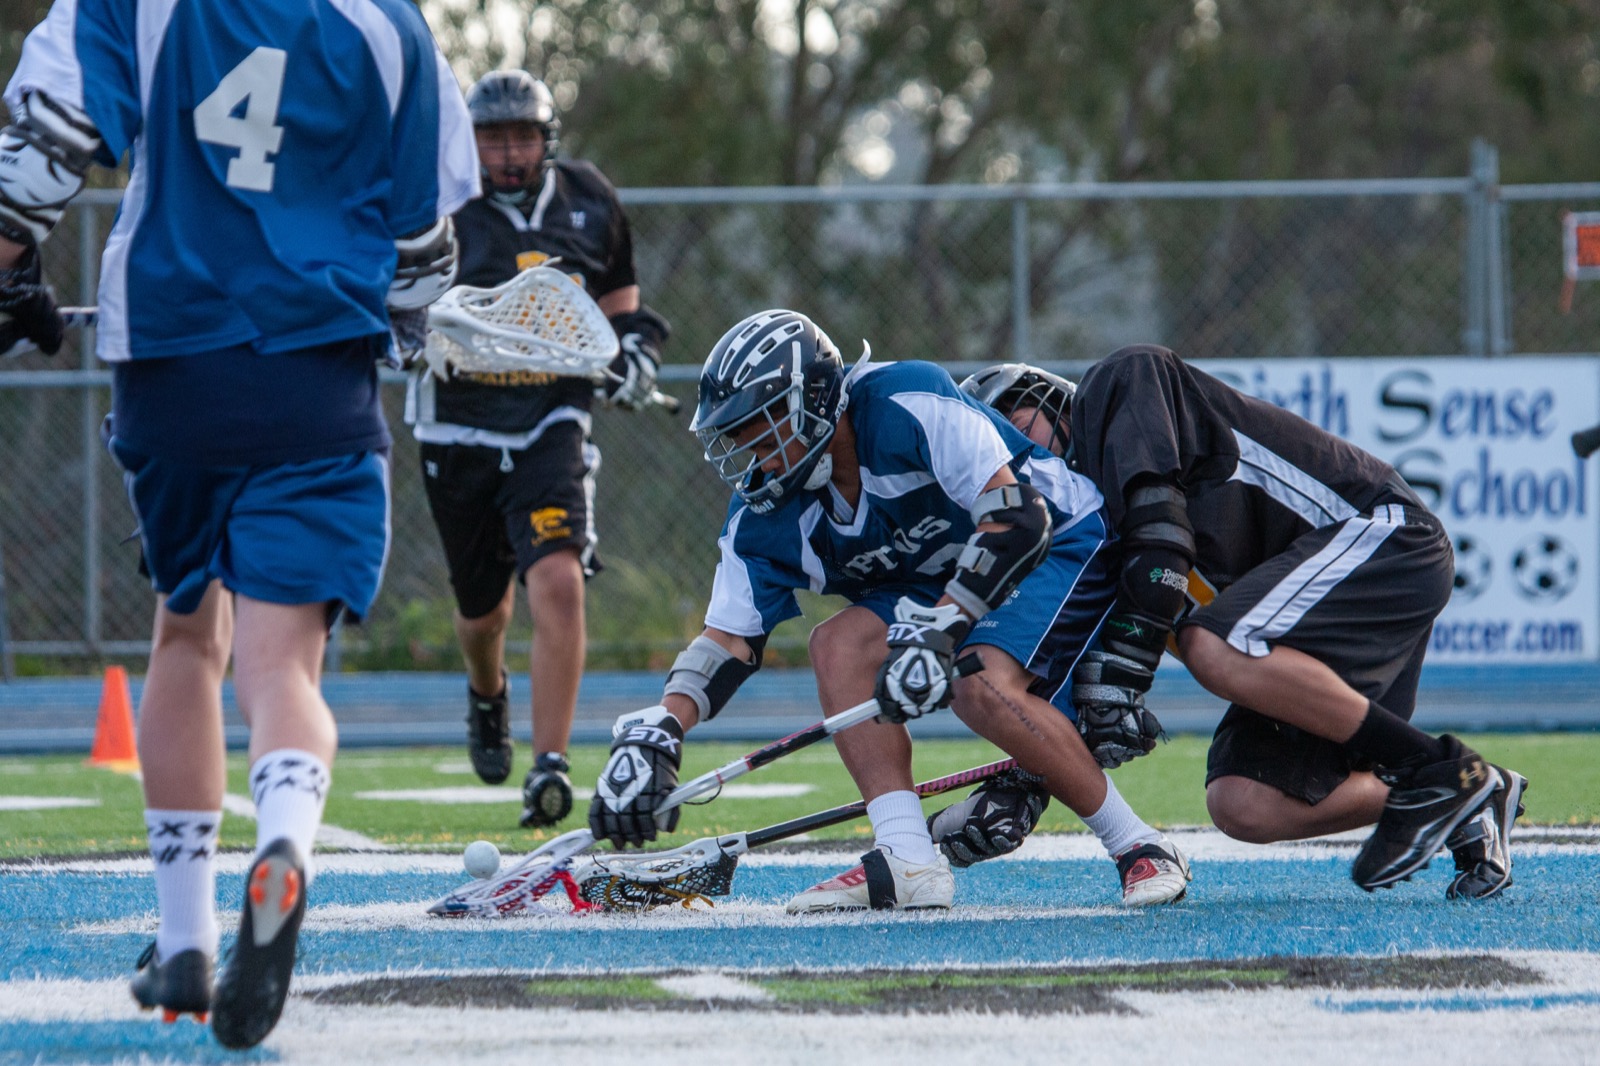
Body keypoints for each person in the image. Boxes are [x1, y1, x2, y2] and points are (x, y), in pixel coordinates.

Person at [0, 0, 477, 1047]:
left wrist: (10, 266)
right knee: (281, 669)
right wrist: (402, 319)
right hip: (313, 369)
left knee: (183, 633)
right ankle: (289, 847)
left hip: (169, 361)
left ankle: (183, 943)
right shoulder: (388, 26)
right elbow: (422, 252)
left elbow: (40, 154)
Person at [585, 310, 1191, 912]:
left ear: (816, 400)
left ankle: (1138, 844)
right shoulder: (762, 518)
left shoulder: (907, 402)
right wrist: (660, 726)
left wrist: (944, 629)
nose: (753, 456)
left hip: (1054, 539)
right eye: (739, 437)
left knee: (976, 682)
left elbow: (1017, 517)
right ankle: (907, 856)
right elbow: (727, 643)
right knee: (836, 646)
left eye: (763, 430)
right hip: (947, 573)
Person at [1068, 343, 1528, 899]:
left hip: (1387, 537)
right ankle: (1470, 791)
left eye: (1013, 422)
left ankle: (1441, 770)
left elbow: (1161, 546)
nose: (1014, 455)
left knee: (1215, 645)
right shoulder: (1099, 556)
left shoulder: (1122, 385)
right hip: (1334, 600)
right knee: (1243, 803)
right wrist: (1030, 775)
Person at [405, 70, 668, 829]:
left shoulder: (589, 199)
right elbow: (397, 302)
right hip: (458, 427)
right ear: (471, 143)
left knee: (557, 579)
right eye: (495, 138)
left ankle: (549, 765)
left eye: (524, 136)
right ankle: (488, 695)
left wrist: (635, 354)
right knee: (482, 614)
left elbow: (622, 309)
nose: (511, 152)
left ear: (548, 140)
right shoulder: (441, 201)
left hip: (553, 421)